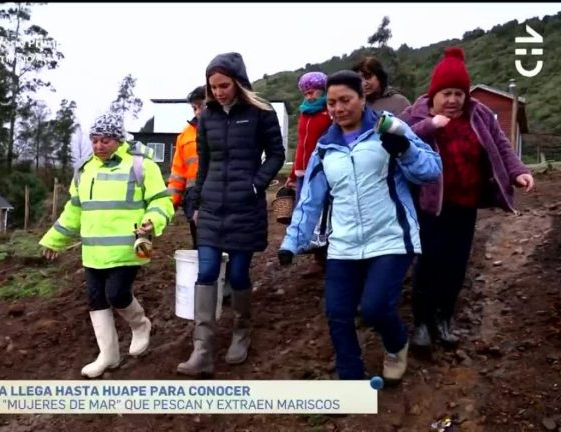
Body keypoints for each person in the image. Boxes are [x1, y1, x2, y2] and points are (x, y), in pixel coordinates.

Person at [278, 70, 442, 382]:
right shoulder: (325, 147)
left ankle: (396, 344)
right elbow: (310, 200)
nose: (338, 109)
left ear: (363, 98)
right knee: (338, 314)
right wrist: (291, 243)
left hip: (392, 237)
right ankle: (350, 380)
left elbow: (431, 169)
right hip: (344, 243)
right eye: (331, 103)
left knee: (375, 308)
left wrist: (405, 150)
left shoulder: (389, 128)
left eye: (345, 100)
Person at [399, 47, 535, 351]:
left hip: (465, 202)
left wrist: (518, 171)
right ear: (434, 93)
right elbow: (397, 138)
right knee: (428, 262)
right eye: (446, 93)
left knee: (456, 263)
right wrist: (430, 125)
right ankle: (422, 323)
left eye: (458, 93)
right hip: (429, 205)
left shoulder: (479, 113)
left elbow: (501, 145)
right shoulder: (417, 113)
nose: (452, 100)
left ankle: (443, 319)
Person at [39, 112, 174, 378]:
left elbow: (162, 202)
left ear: (118, 140)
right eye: (95, 140)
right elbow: (74, 209)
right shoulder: (85, 169)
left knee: (116, 294)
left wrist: (151, 221)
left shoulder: (141, 166)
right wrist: (54, 239)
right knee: (96, 300)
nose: (99, 146)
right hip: (92, 251)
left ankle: (140, 325)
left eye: (106, 141)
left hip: (128, 247)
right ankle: (109, 355)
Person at [176, 52, 286, 377]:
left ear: (238, 82)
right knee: (206, 271)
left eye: (224, 85)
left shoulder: (260, 112)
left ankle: (241, 330)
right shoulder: (207, 117)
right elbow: (204, 162)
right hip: (211, 206)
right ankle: (203, 349)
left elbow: (277, 153)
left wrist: (256, 184)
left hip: (244, 205)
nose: (219, 92)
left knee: (238, 275)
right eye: (213, 87)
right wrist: (194, 201)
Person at [285, 71, 333, 278]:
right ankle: (316, 256)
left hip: (322, 170)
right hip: (303, 170)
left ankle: (328, 256)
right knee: (305, 213)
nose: (309, 97)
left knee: (324, 213)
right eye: (305, 93)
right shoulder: (304, 113)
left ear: (322, 90)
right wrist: (293, 174)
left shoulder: (328, 112)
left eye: (312, 92)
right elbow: (300, 147)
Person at [168, 85, 206, 249]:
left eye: (201, 106)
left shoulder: (228, 129)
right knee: (201, 247)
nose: (197, 112)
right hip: (193, 198)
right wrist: (169, 205)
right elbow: (177, 174)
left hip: (222, 195)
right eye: (194, 107)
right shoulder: (185, 135)